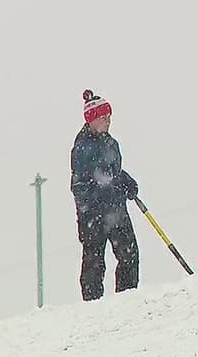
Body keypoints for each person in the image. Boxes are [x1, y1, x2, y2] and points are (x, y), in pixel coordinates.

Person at [70, 89, 140, 301]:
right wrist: (109, 187)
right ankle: (92, 303)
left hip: (116, 210)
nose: (108, 121)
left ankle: (126, 298)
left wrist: (125, 180)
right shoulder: (82, 147)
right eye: (103, 117)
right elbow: (85, 182)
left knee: (129, 254)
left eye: (109, 116)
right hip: (92, 214)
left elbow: (113, 172)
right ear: (92, 120)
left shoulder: (111, 143)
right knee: (94, 260)